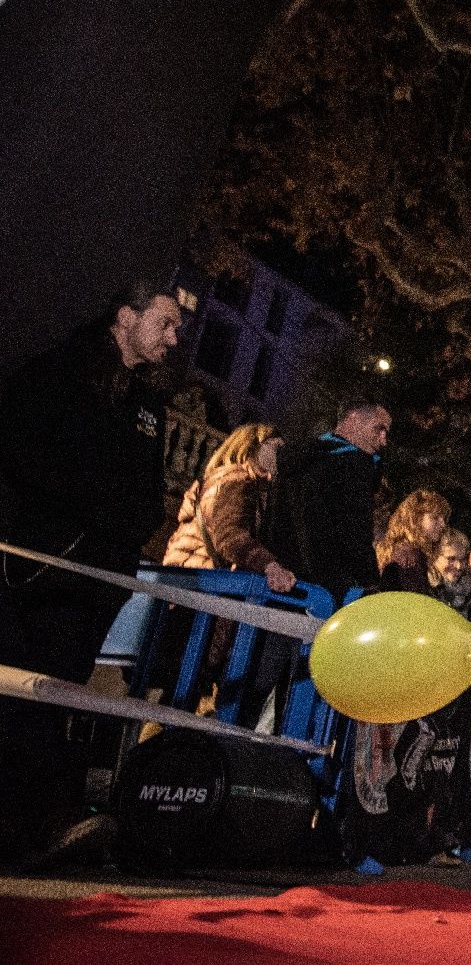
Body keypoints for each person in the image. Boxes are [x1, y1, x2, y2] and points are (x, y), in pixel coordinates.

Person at [0, 281, 182, 863]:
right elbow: (28, 456)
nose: (174, 339)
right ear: (125, 316)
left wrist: (126, 531)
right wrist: (84, 516)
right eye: (166, 323)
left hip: (95, 577)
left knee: (60, 693)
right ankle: (31, 825)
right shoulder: (57, 374)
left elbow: (145, 490)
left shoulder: (147, 401)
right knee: (25, 690)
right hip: (36, 568)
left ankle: (38, 824)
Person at [159, 423, 295, 711]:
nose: (282, 454)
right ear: (252, 446)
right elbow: (230, 536)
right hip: (198, 595)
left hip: (193, 592)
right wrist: (269, 565)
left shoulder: (243, 484)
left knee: (182, 692)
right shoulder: (236, 481)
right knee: (182, 691)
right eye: (276, 447)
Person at [269, 399, 389, 601]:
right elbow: (355, 535)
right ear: (353, 420)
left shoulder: (295, 459)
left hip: (283, 584)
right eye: (379, 429)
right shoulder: (353, 467)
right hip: (330, 593)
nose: (384, 440)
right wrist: (370, 585)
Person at [375, 490, 449, 595]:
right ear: (415, 519)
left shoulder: (396, 549)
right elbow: (414, 602)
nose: (443, 524)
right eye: (435, 518)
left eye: (444, 519)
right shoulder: (411, 557)